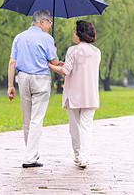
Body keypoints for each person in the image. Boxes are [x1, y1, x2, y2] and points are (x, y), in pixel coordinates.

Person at [7, 10, 61, 168]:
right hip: (41, 79)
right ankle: (30, 157)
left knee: (27, 120)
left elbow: (12, 62)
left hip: (23, 78)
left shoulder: (19, 37)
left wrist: (10, 85)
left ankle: (32, 153)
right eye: (50, 22)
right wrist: (55, 53)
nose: (50, 25)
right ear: (42, 21)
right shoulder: (47, 38)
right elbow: (55, 62)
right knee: (37, 119)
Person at [48, 20, 101, 169]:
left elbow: (66, 71)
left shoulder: (72, 50)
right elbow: (83, 66)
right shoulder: (97, 52)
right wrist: (62, 63)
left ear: (79, 33)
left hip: (74, 95)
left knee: (74, 128)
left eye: (75, 30)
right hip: (90, 94)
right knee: (86, 127)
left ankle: (78, 155)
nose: (73, 33)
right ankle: (84, 157)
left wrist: (50, 65)